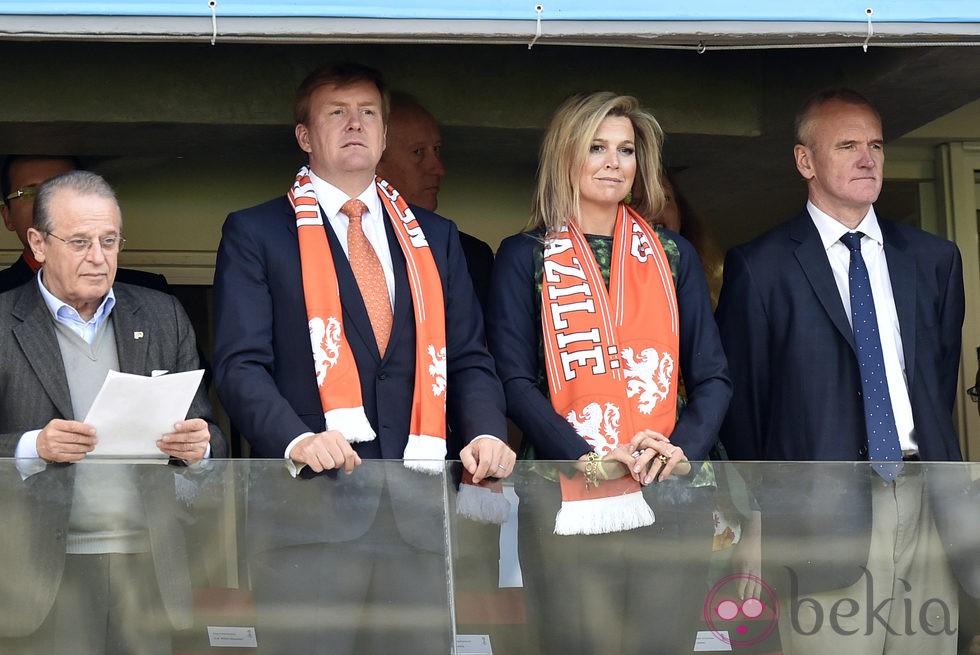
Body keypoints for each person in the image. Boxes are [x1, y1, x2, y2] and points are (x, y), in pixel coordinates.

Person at [212, 62, 514, 653]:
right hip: (308, 520)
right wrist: (296, 438)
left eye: (368, 113)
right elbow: (240, 366)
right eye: (336, 112)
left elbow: (471, 359)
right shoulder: (256, 232)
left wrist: (484, 431)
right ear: (305, 135)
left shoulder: (436, 235)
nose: (355, 124)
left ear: (382, 133)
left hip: (421, 520)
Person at [716, 88, 966, 654]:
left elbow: (937, 384)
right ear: (806, 161)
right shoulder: (761, 267)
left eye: (875, 145)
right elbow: (744, 410)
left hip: (928, 499)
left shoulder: (934, 259)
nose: (867, 158)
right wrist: (775, 509)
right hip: (820, 514)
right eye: (848, 145)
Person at [487, 91, 731, 654]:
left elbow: (713, 376)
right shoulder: (525, 256)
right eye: (596, 147)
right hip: (567, 489)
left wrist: (681, 450)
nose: (613, 162)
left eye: (625, 150)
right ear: (565, 157)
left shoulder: (673, 255)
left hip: (669, 489)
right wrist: (587, 457)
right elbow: (514, 381)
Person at [0, 170, 226, 653]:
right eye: (80, 242)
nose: (99, 258)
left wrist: (199, 447)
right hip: (39, 573)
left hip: (149, 566)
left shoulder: (162, 314)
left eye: (109, 240)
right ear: (37, 244)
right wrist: (31, 447)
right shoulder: (2, 322)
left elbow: (212, 432)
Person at [375, 92, 495, 310]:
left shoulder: (471, 256)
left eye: (436, 150)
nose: (438, 169)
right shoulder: (329, 244)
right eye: (418, 152)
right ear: (371, 159)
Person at [1, 155, 170, 293]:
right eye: (30, 193)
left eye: (63, 190)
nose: (46, 205)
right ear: (7, 216)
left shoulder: (151, 294)